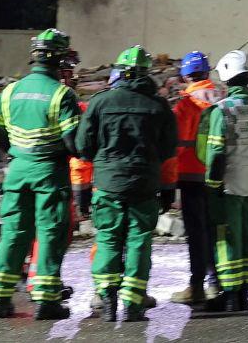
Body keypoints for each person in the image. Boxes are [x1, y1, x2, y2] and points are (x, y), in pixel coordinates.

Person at [0, 28, 83, 320]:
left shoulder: (10, 91)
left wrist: (17, 150)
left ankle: (0, 299)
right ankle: (46, 301)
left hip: (17, 171)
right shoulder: (62, 95)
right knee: (50, 233)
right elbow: (73, 143)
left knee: (13, 233)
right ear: (60, 58)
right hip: (49, 172)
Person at [78, 46, 177, 322]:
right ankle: (134, 305)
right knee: (139, 242)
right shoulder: (159, 106)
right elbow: (170, 152)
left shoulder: (100, 102)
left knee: (108, 239)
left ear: (119, 72)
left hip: (109, 184)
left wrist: (83, 191)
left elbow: (83, 148)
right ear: (147, 74)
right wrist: (169, 190)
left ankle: (107, 298)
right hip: (146, 186)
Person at [198, 50, 248, 313]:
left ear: (226, 78)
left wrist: (212, 187)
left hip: (229, 186)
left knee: (228, 239)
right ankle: (244, 294)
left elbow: (215, 154)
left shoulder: (221, 111)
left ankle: (231, 296)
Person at [26, 48, 88, 302]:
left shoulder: (22, 92)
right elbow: (74, 143)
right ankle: (41, 283)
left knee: (29, 226)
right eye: (69, 69)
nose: (72, 75)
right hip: (58, 172)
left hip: (25, 167)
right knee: (54, 228)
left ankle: (29, 274)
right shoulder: (63, 98)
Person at [161, 50, 221, 305]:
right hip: (220, 175)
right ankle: (217, 283)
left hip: (191, 177)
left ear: (185, 76)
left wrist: (167, 182)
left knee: (197, 233)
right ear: (207, 73)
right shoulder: (222, 97)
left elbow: (174, 146)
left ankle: (197, 285)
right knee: (216, 230)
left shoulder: (185, 104)